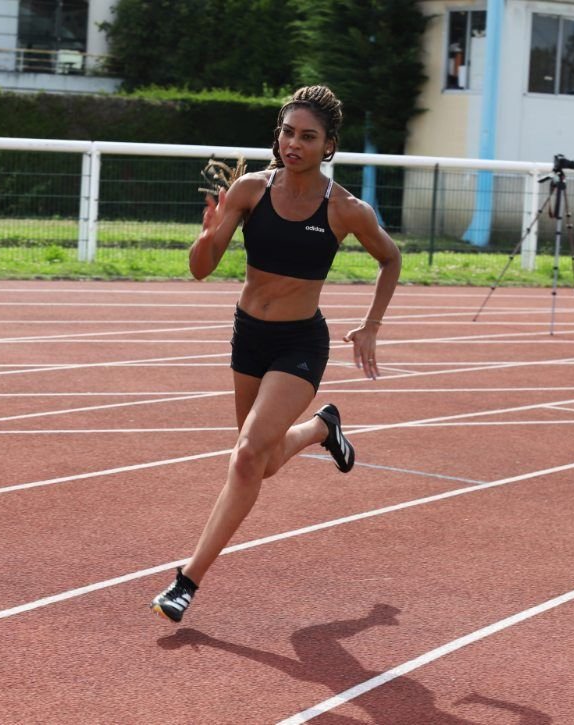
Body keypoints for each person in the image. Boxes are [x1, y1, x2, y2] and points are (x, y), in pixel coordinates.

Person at [150, 85, 402, 623]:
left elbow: (390, 258)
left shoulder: (346, 210)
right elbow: (201, 269)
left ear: (328, 145)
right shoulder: (249, 190)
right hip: (249, 337)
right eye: (288, 132)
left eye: (307, 137)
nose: (293, 144)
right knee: (260, 465)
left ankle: (187, 580)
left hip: (299, 344)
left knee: (244, 457)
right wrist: (203, 239)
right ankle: (320, 429)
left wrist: (371, 326)